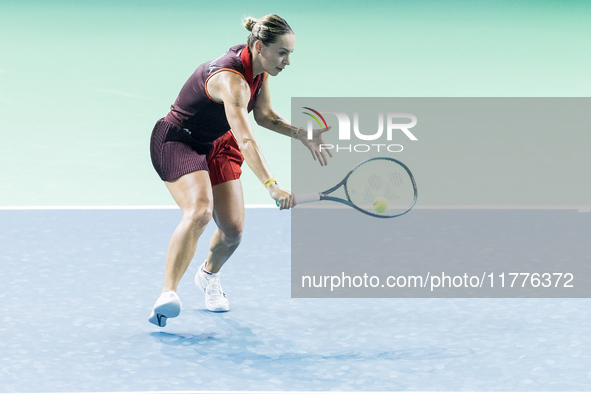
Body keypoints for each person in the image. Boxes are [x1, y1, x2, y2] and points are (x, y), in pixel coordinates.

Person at [148, 14, 331, 327]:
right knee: (200, 212)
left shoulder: (258, 68)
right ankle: (167, 295)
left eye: (290, 53)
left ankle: (208, 276)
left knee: (233, 231)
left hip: (216, 143)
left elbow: (264, 116)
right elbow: (245, 136)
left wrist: (301, 133)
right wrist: (271, 184)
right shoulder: (230, 80)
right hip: (179, 142)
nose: (288, 61)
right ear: (260, 46)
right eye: (282, 53)